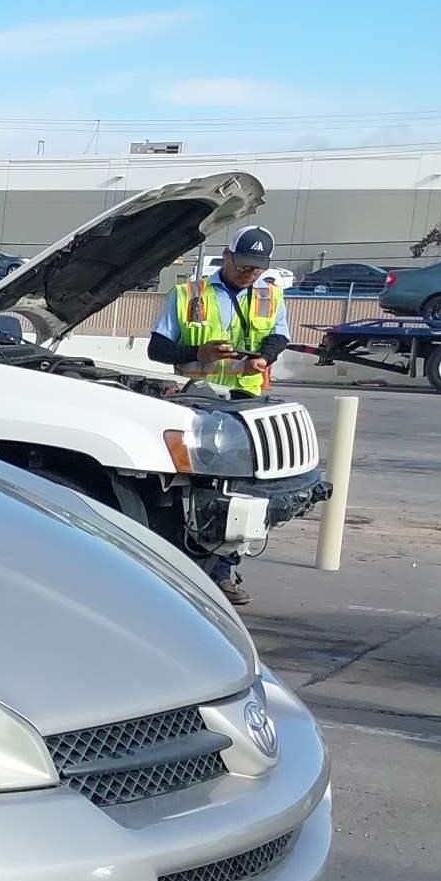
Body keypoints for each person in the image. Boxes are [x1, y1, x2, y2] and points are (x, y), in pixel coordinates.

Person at [147, 225, 290, 607]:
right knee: (195, 489)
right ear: (226, 258)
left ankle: (223, 572)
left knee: (242, 493)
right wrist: (199, 354)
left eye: (257, 268)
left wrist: (265, 358)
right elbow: (157, 349)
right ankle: (184, 566)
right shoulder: (188, 294)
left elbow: (278, 336)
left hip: (246, 399)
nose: (250, 274)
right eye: (243, 265)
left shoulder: (270, 296)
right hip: (200, 399)